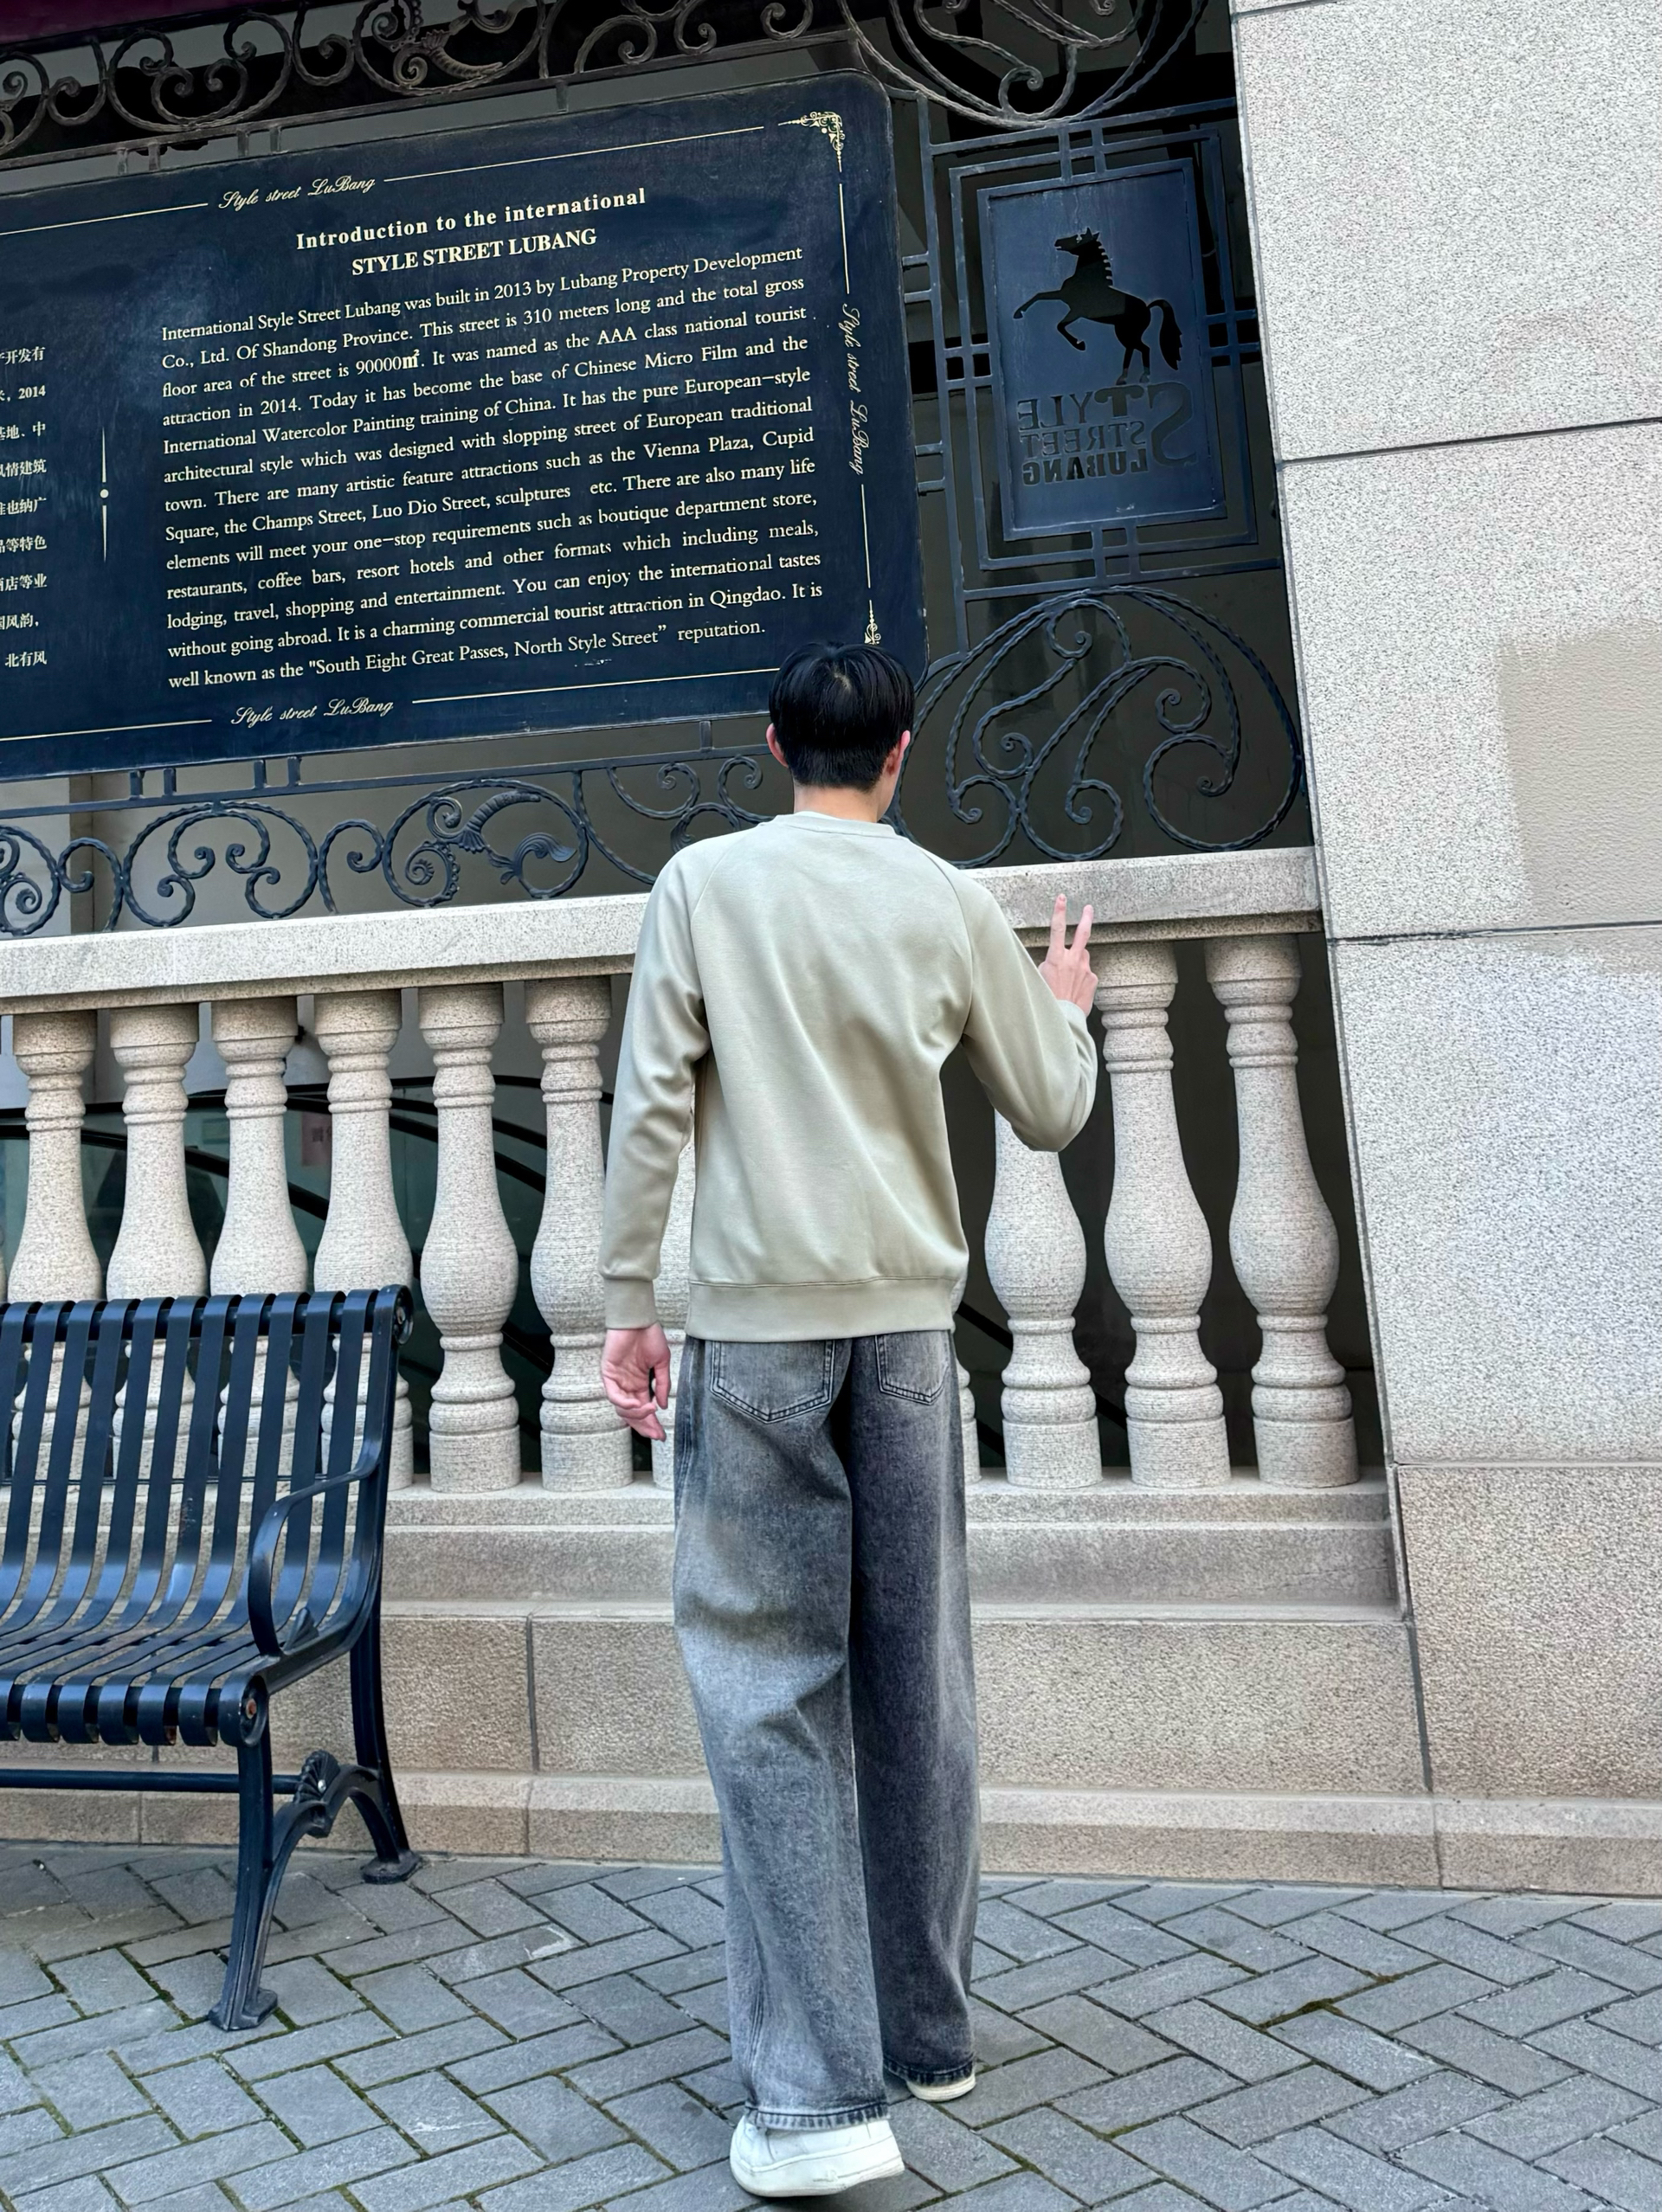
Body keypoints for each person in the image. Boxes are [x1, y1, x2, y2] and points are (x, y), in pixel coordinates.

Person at [599, 641, 1098, 2198]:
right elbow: (1053, 1107)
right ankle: (926, 2034)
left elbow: (652, 1101)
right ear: (899, 753)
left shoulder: (703, 887)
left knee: (769, 1694)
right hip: (906, 1339)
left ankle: (816, 2103)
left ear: (773, 746)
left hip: (756, 1335)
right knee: (917, 1682)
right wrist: (1063, 1006)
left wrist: (630, 1299)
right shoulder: (945, 899)